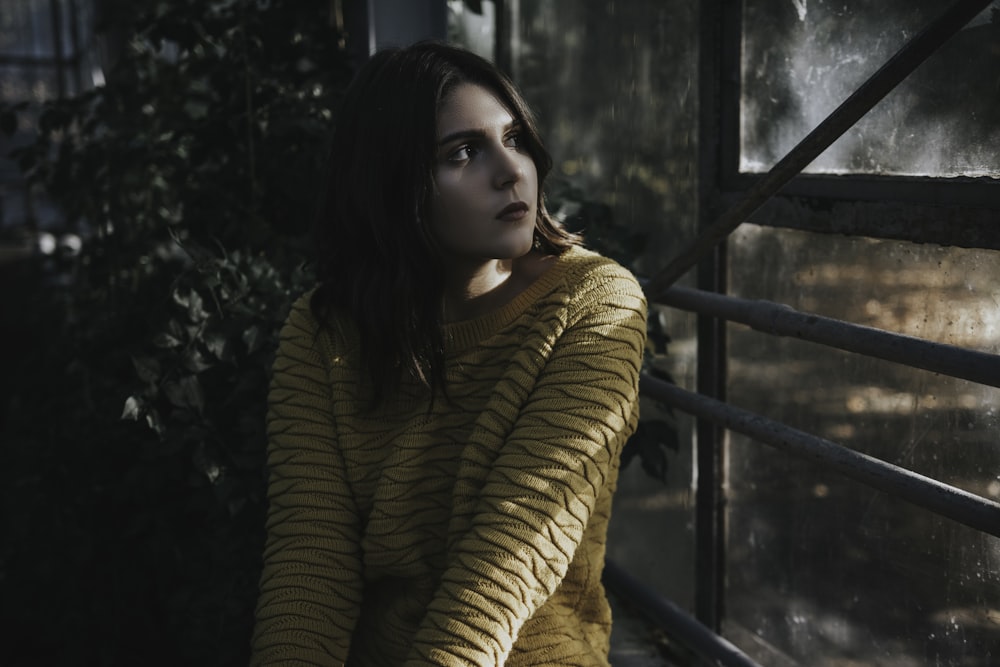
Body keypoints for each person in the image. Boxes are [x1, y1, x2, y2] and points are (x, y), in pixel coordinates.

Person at [251, 41, 647, 666]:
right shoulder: (323, 332)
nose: (510, 170)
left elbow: (507, 565)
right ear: (389, 182)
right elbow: (309, 569)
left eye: (514, 139)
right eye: (463, 152)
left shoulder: (593, 304)